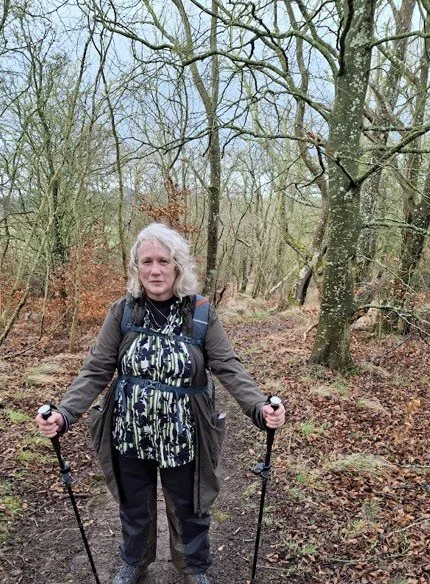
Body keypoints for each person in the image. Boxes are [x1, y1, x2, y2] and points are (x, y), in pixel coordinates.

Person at [36, 223, 285, 584]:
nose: (155, 270)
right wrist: (64, 414)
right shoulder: (122, 312)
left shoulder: (201, 313)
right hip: (129, 428)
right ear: (136, 267)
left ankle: (193, 567)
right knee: (133, 503)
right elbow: (96, 369)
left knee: (189, 506)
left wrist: (259, 408)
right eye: (147, 261)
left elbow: (228, 366)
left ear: (178, 266)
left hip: (184, 431)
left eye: (163, 261)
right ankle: (135, 560)